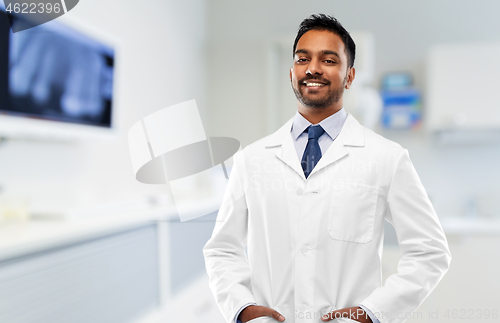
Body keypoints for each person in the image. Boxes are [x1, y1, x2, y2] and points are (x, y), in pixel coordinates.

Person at [203, 14, 451, 323]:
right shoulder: (251, 160)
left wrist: (372, 313)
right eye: (303, 58)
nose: (313, 68)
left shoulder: (387, 158)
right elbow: (222, 250)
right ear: (291, 73)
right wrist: (242, 309)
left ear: (349, 76)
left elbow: (430, 253)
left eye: (329, 59)